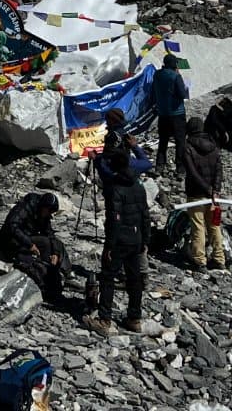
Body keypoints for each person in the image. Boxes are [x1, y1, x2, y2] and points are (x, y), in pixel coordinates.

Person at [81, 134, 149, 336]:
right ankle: (134, 318)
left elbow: (114, 219)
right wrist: (145, 240)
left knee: (108, 277)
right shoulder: (138, 186)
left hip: (120, 240)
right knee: (134, 278)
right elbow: (145, 215)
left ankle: (104, 319)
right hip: (136, 237)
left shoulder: (115, 187)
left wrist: (109, 246)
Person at [0, 193, 70, 304]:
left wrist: (55, 253)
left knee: (54, 244)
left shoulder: (43, 213)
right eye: (49, 211)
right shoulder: (24, 207)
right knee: (30, 261)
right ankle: (44, 286)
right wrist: (29, 244)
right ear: (43, 206)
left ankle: (62, 273)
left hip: (27, 239)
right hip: (10, 242)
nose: (49, 214)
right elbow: (12, 226)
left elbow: (49, 234)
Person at [181, 123, 225, 270]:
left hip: (196, 195)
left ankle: (200, 260)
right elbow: (219, 170)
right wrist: (215, 190)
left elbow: (192, 173)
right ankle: (219, 258)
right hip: (214, 197)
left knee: (198, 227)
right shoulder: (214, 146)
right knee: (215, 225)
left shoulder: (188, 148)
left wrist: (207, 189)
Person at [153, 54, 189, 172]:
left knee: (163, 140)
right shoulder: (175, 76)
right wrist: (180, 77)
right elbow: (182, 94)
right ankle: (180, 168)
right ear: (174, 64)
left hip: (162, 113)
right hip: (177, 113)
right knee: (180, 141)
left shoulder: (157, 74)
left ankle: (159, 166)